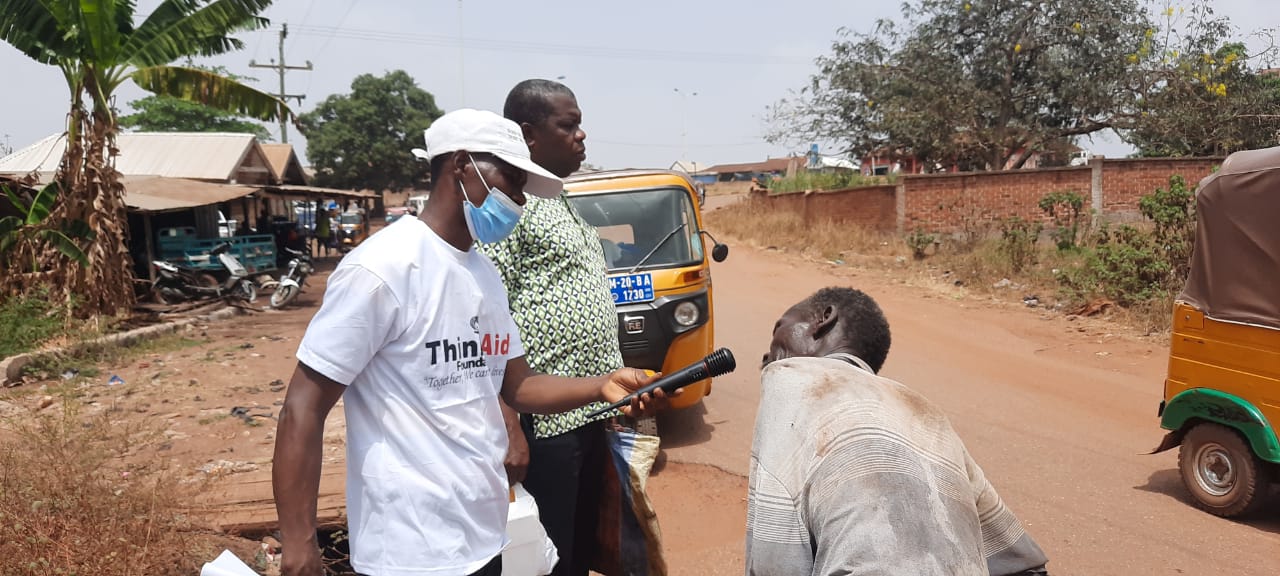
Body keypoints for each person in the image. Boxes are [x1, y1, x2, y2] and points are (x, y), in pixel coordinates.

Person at [272, 109, 671, 576]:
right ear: (461, 165)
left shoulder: (484, 275)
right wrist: (299, 543)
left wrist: (603, 385)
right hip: (408, 549)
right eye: (512, 180)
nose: (519, 199)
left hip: (481, 535)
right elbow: (302, 407)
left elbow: (518, 386)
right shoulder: (382, 270)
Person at [748, 287, 1050, 576]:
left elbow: (773, 560)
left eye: (779, 328)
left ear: (822, 319)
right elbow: (1022, 563)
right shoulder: (925, 411)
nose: (767, 354)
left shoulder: (788, 379)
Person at [476, 79, 623, 576]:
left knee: (581, 547)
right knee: (548, 551)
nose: (582, 135)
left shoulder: (559, 199)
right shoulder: (509, 207)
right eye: (569, 124)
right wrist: (508, 424)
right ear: (529, 134)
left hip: (585, 410)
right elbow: (485, 318)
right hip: (543, 420)